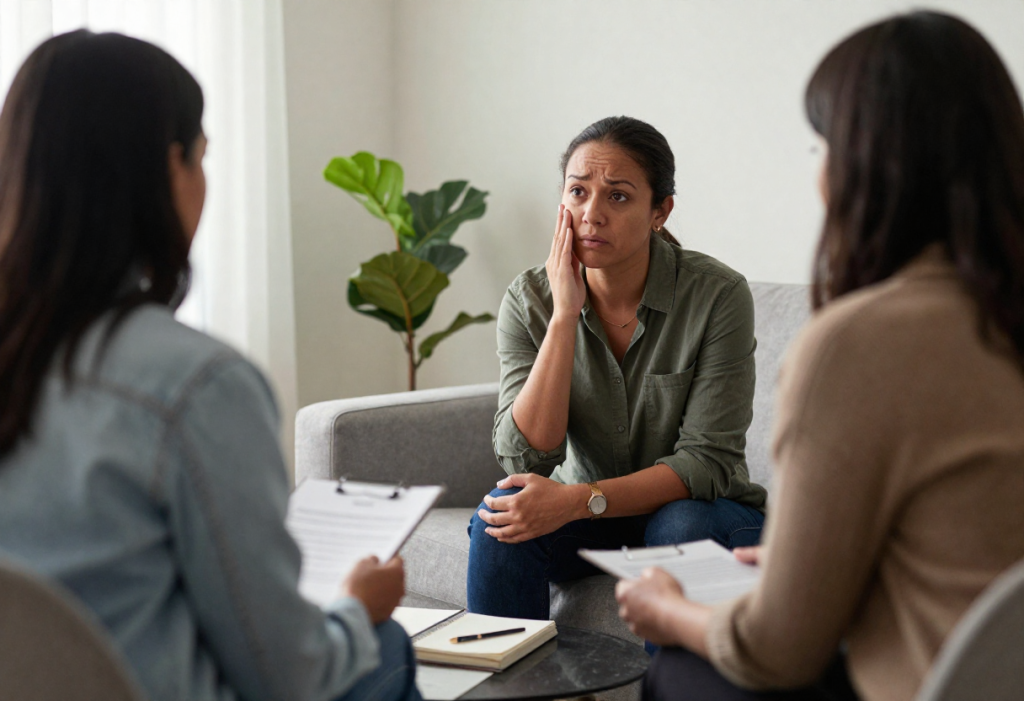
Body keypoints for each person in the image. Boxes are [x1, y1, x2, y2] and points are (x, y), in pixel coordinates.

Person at [615, 11, 1024, 701]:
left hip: (932, 683)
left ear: (866, 166)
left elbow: (775, 650)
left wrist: (668, 610)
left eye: (821, 145)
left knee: (679, 669)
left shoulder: (856, 343)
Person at [0, 31, 421, 701]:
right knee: (384, 644)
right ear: (170, 168)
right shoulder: (195, 385)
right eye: (201, 156)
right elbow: (288, 676)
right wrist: (355, 605)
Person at [467, 116, 768, 621]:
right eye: (578, 192)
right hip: (590, 522)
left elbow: (706, 461)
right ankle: (506, 670)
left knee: (679, 527)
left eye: (618, 196)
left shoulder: (717, 295)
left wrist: (575, 501)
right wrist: (564, 317)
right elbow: (524, 458)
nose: (592, 214)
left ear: (660, 211)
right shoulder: (529, 299)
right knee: (499, 519)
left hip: (703, 513)